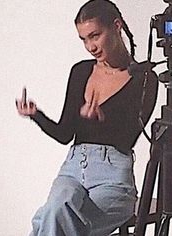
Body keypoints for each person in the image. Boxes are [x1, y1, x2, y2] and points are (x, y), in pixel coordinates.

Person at [16, 0, 158, 235]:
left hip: (112, 176)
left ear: (116, 26)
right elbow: (65, 135)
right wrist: (36, 116)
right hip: (73, 169)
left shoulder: (144, 78)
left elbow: (128, 138)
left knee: (49, 220)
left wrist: (101, 118)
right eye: (84, 39)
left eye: (95, 36)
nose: (90, 46)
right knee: (57, 211)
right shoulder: (80, 71)